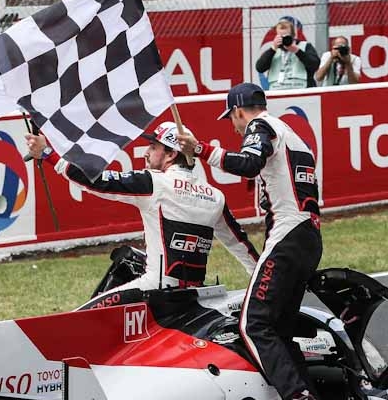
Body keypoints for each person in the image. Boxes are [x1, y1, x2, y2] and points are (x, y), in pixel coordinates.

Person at [177, 83, 324, 400]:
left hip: (289, 234)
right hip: (309, 236)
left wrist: (200, 149)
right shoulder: (291, 133)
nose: (233, 127)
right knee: (279, 328)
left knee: (252, 323)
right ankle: (311, 399)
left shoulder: (261, 125)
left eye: (231, 118)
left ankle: (299, 397)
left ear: (239, 110)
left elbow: (248, 163)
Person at [24, 121, 259, 308]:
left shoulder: (154, 182)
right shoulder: (216, 196)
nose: (146, 153)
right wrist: (265, 288)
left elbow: (95, 180)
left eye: (153, 147)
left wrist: (48, 153)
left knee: (80, 319)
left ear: (170, 154)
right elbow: (241, 245)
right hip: (197, 296)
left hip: (156, 291)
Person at [255, 17, 319, 90]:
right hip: (277, 89)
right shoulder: (273, 51)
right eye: (281, 37)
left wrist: (297, 51)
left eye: (286, 37)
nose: (283, 39)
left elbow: (315, 65)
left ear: (293, 36)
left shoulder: (304, 46)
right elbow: (260, 68)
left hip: (301, 88)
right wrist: (273, 49)